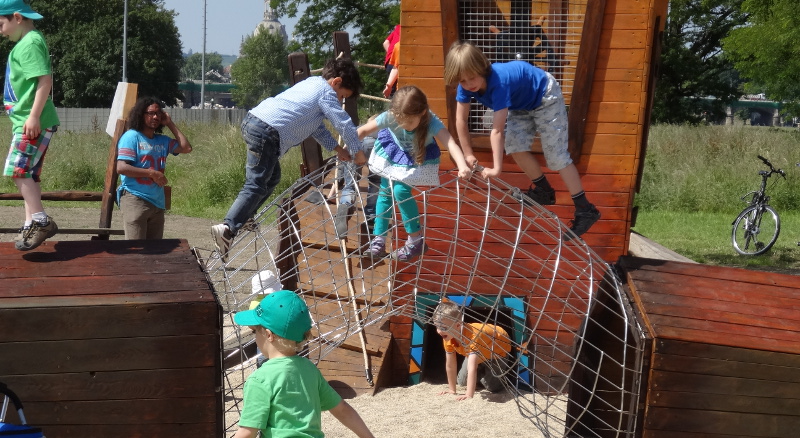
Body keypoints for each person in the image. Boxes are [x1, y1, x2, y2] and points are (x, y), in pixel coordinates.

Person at [216, 290, 394, 438]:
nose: (254, 336)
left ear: (268, 335)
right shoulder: (309, 370)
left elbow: (248, 430)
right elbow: (341, 408)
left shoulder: (261, 379)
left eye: (255, 331)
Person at [211, 57, 367, 261]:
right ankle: (228, 228)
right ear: (336, 82)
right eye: (341, 96)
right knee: (256, 183)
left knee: (272, 177)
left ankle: (246, 215)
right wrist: (358, 152)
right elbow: (344, 124)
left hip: (256, 122)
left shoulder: (310, 85)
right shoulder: (325, 92)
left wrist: (338, 149)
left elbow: (317, 129)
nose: (339, 101)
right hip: (267, 131)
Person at [443, 41, 601, 239]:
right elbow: (460, 120)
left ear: (482, 68)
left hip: (544, 94)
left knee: (556, 156)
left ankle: (585, 209)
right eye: (462, 81)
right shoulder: (465, 86)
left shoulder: (498, 82)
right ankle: (544, 191)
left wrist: (496, 169)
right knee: (515, 146)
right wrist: (467, 153)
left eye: (472, 78)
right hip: (521, 104)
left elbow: (497, 131)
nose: (468, 84)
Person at [359, 85, 471, 262]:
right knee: (385, 191)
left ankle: (415, 239)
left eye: (409, 122)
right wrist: (347, 146)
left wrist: (462, 165)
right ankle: (379, 239)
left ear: (422, 112)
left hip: (415, 158)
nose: (405, 126)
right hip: (393, 153)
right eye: (400, 121)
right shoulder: (390, 116)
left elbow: (450, 143)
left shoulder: (431, 122)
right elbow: (363, 130)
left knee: (400, 191)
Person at [0, 0, 60, 251]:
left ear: (16, 17)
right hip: (24, 120)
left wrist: (34, 116)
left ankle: (41, 220)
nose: (0, 31)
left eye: (1, 24)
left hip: (32, 120)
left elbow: (44, 80)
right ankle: (29, 224)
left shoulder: (31, 42)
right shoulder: (24, 43)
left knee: (17, 170)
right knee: (29, 175)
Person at [116, 97, 192, 240]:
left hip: (157, 203)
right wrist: (151, 173)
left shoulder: (162, 140)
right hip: (135, 199)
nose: (155, 117)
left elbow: (186, 148)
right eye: (150, 113)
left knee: (155, 253)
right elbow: (121, 167)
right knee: (136, 252)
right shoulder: (132, 137)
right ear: (140, 114)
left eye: (158, 113)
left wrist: (170, 123)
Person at [431, 297, 513, 401]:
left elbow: (472, 367)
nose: (439, 331)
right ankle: (482, 370)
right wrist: (452, 390)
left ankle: (501, 373)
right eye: (437, 326)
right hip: (477, 353)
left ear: (457, 325)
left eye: (443, 328)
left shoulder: (473, 336)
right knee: (461, 382)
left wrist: (469, 395)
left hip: (496, 352)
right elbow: (450, 364)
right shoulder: (447, 336)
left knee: (492, 387)